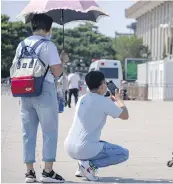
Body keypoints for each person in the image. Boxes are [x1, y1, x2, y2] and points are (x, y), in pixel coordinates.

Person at [11, 14, 69, 183]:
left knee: (27, 133)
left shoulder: (21, 45)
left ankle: (29, 172)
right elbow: (57, 71)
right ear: (47, 28)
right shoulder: (48, 45)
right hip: (44, 90)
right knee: (49, 131)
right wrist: (63, 61)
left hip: (24, 90)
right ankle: (48, 172)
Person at [64, 71, 129, 181]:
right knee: (124, 153)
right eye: (105, 83)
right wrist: (119, 100)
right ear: (102, 85)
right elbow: (125, 115)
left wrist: (110, 101)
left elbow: (96, 104)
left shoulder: (82, 99)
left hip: (69, 146)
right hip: (85, 148)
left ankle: (83, 166)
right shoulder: (103, 102)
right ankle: (90, 166)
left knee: (96, 143)